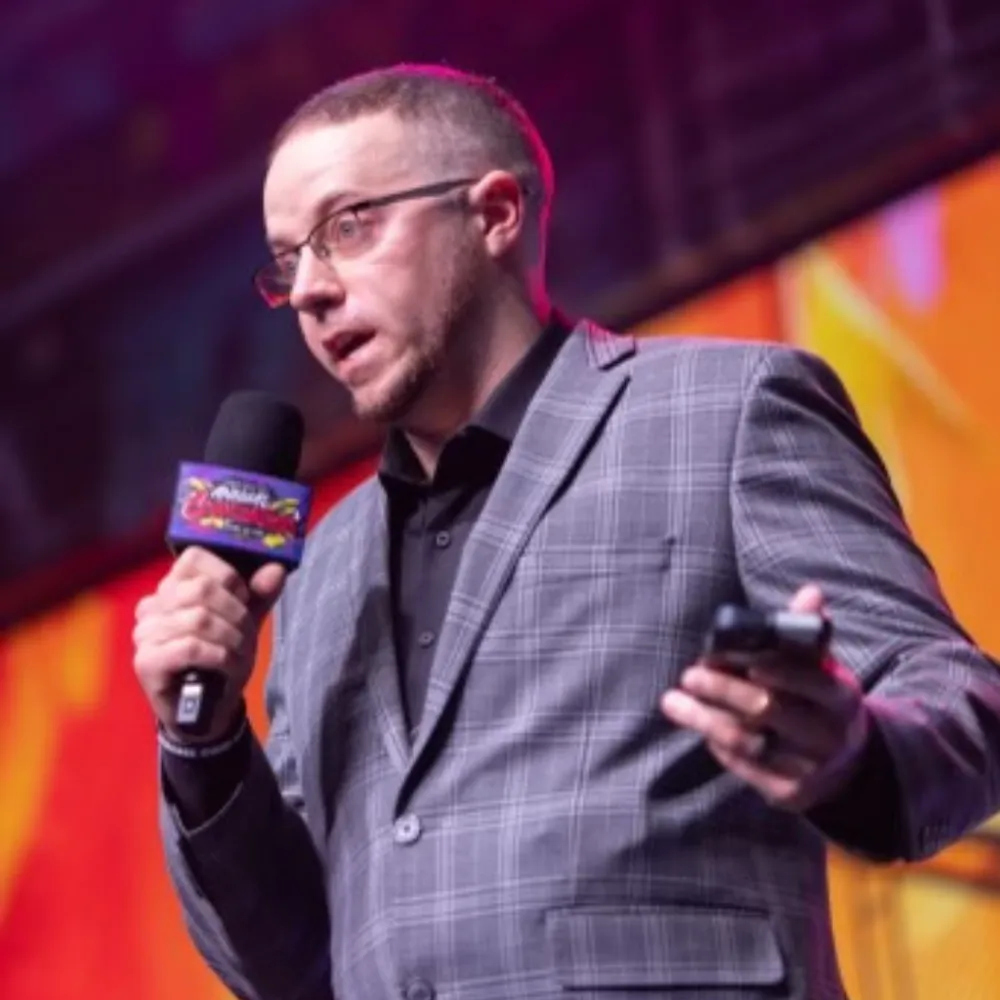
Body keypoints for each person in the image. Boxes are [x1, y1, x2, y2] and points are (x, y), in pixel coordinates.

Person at [132, 64, 1000, 1000]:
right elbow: (294, 962)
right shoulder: (319, 573)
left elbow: (959, 699)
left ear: (495, 214)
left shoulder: (727, 410)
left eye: (347, 228)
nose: (308, 288)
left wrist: (856, 754)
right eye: (287, 260)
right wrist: (205, 743)